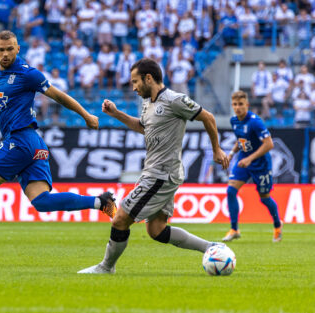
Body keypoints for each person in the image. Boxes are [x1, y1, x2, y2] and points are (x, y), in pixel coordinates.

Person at [0, 31, 117, 264]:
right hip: (34, 143)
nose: (5, 54)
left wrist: (86, 115)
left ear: (17, 49)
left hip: (21, 139)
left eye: (9, 49)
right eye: (0, 50)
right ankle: (101, 202)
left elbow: (59, 96)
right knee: (42, 202)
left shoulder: (28, 74)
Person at [78, 58, 229, 274]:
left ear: (149, 78)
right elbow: (144, 128)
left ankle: (106, 267)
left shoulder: (175, 100)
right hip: (158, 173)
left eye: (135, 81)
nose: (133, 87)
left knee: (120, 219)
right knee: (156, 230)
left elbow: (208, 117)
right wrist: (117, 114)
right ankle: (212, 247)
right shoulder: (148, 102)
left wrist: (217, 150)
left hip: (161, 175)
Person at [223, 90, 282, 243]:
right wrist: (231, 153)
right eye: (235, 104)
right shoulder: (234, 121)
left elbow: (269, 144)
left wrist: (250, 159)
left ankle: (277, 225)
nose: (237, 108)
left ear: (247, 105)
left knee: (264, 198)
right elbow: (240, 139)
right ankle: (234, 229)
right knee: (230, 191)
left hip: (260, 164)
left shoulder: (255, 122)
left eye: (241, 104)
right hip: (244, 161)